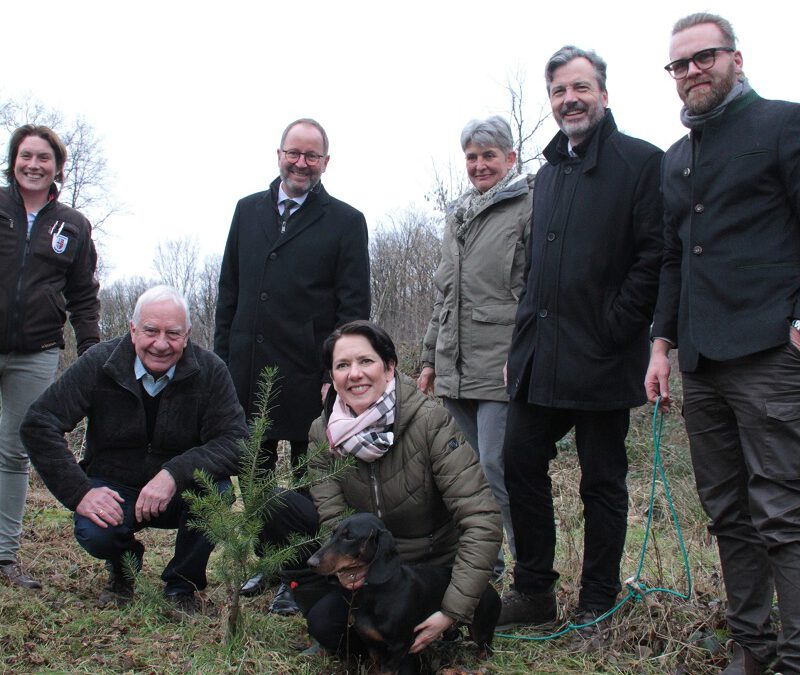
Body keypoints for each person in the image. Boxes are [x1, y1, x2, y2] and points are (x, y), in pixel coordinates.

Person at [646, 13, 800, 675]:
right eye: (678, 65)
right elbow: (674, 258)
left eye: (702, 58)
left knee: (783, 514)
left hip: (770, 352)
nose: (690, 72)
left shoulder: (782, 124)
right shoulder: (678, 158)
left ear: (735, 58)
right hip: (702, 364)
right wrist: (661, 344)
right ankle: (751, 647)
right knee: (728, 512)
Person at [499, 46, 663, 643]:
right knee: (519, 459)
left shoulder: (641, 162)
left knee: (602, 480)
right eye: (559, 91)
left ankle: (597, 602)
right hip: (540, 356)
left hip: (603, 355)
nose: (570, 99)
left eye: (581, 88)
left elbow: (654, 256)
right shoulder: (547, 173)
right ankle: (536, 589)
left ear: (604, 93)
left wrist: (617, 326)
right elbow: (537, 268)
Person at [261, 320, 502, 660]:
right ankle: (372, 638)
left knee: (410, 637)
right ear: (332, 378)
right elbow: (334, 517)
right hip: (365, 568)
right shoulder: (323, 432)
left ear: (389, 367)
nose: (354, 374)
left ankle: (421, 637)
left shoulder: (430, 422)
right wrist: (347, 570)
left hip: (427, 571)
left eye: (365, 361)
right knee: (325, 623)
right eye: (342, 365)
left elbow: (482, 517)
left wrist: (452, 610)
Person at [214, 118, 370, 602]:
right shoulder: (247, 211)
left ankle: (300, 574)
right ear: (278, 154)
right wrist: (222, 364)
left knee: (310, 481)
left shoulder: (345, 221)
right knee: (255, 473)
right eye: (293, 153)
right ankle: (268, 560)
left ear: (326, 162)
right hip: (248, 368)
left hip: (310, 375)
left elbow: (353, 308)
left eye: (312, 156)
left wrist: (338, 374)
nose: (301, 163)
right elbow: (229, 291)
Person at [20, 286, 247, 610]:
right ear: (132, 329)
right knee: (95, 531)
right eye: (151, 331)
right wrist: (80, 492)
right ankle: (124, 564)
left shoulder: (211, 371)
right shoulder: (99, 363)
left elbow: (236, 442)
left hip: (179, 490)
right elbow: (39, 423)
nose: (161, 343)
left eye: (173, 333)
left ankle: (182, 586)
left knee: (217, 493)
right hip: (115, 485)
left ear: (187, 335)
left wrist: (173, 473)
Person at [418, 115, 532, 576]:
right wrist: (428, 359)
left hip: (501, 363)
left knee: (496, 466)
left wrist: (524, 354)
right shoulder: (457, 215)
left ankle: (530, 571)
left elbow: (535, 293)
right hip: (454, 366)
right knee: (464, 476)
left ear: (510, 158)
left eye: (489, 156)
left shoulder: (528, 207)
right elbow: (444, 293)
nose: (480, 165)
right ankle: (487, 563)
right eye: (472, 157)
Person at [0, 125, 100, 591]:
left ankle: (4, 556)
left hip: (36, 353)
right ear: (13, 160)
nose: (33, 164)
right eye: (26, 156)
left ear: (58, 166)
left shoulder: (73, 225)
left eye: (44, 157)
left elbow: (83, 295)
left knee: (15, 452)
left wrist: (95, 353)